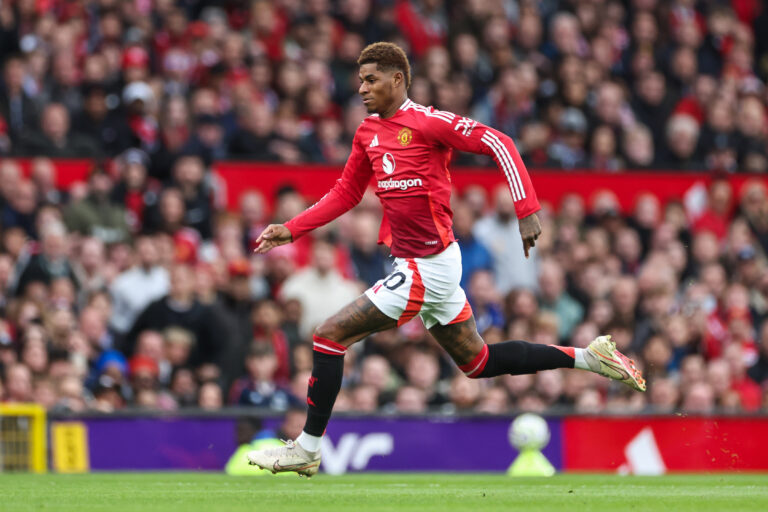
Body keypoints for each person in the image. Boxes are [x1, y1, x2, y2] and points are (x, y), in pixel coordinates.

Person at [245, 42, 646, 477]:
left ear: (397, 79)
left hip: (430, 265)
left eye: (371, 79)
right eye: (360, 79)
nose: (362, 88)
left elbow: (500, 141)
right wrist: (292, 227)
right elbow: (346, 192)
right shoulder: (367, 133)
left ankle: (307, 448)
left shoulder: (430, 122)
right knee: (478, 362)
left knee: (328, 336)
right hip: (415, 265)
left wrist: (526, 209)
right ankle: (590, 357)